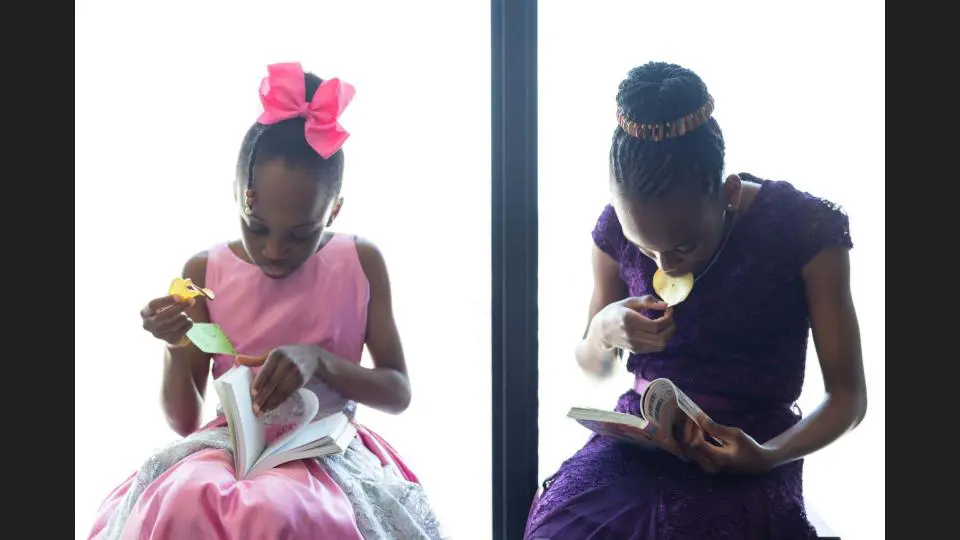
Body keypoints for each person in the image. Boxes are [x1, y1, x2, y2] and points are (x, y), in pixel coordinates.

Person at [88, 62, 447, 540]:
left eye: (301, 235)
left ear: (334, 209)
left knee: (288, 511)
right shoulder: (204, 271)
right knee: (188, 497)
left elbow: (397, 392)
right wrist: (176, 348)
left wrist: (318, 360)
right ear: (237, 195)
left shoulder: (358, 262)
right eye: (256, 228)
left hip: (322, 449)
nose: (274, 251)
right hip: (227, 450)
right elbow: (183, 420)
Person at [525, 62, 868, 539]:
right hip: (641, 442)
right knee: (561, 527)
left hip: (752, 449)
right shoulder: (614, 233)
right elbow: (594, 368)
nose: (665, 262)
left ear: (727, 194)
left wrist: (766, 456)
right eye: (645, 248)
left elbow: (848, 399)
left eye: (683, 246)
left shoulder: (804, 232)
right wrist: (603, 329)